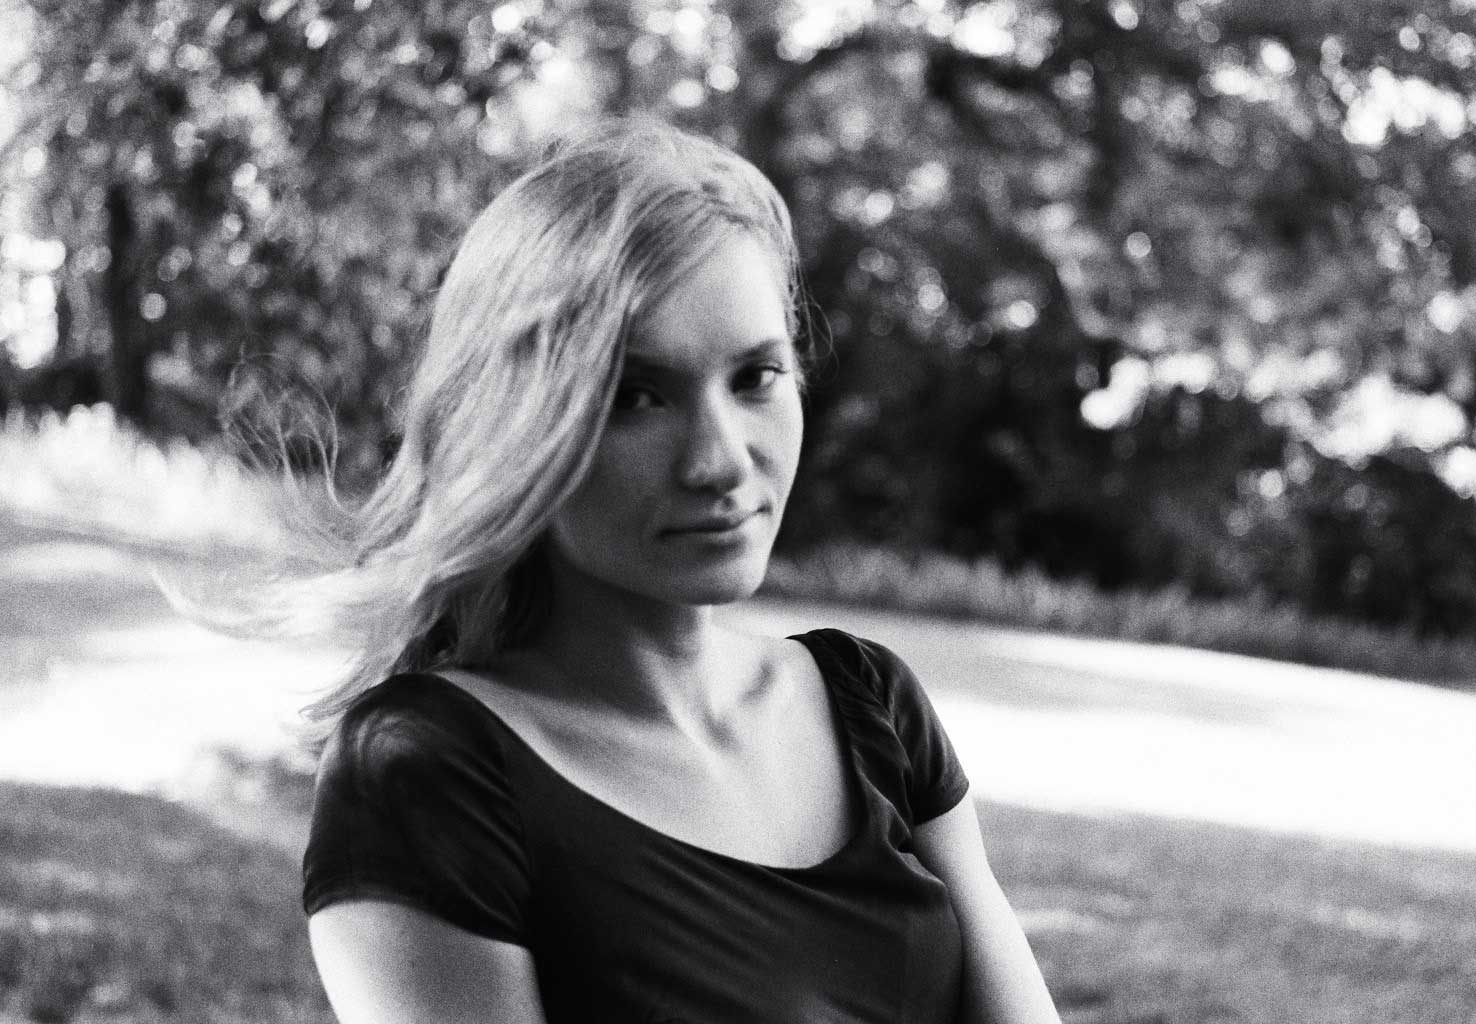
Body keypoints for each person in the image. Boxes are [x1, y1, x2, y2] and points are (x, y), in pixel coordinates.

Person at [289, 119, 1062, 1023]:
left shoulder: (871, 704)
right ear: (518, 425)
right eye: (636, 397)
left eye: (755, 377)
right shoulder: (426, 772)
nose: (721, 461)